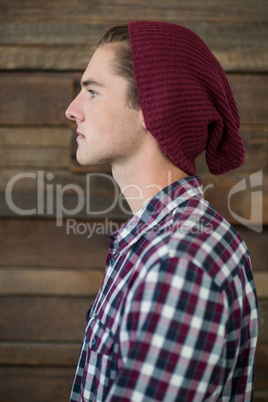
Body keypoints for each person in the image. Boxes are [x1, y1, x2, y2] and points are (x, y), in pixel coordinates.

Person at [65, 20, 258, 402]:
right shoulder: (157, 242)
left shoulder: (178, 262)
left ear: (153, 106)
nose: (72, 110)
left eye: (92, 92)